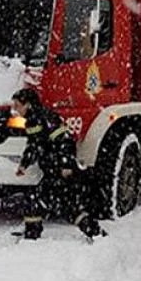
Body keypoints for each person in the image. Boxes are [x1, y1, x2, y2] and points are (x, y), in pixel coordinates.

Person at [11, 88, 106, 241]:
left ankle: (96, 233)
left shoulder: (47, 118)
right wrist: (24, 164)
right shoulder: (32, 121)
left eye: (17, 105)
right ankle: (32, 234)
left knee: (64, 206)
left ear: (28, 104)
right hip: (52, 171)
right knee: (39, 200)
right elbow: (34, 145)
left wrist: (66, 165)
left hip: (60, 171)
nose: (15, 109)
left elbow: (65, 141)